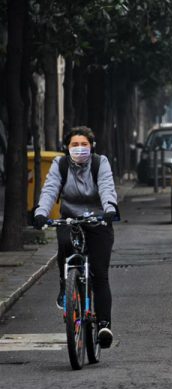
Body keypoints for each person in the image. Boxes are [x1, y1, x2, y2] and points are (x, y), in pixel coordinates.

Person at [33, 126, 118, 349]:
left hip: (99, 220)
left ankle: (103, 325)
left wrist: (110, 208)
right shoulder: (60, 165)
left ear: (92, 147)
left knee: (100, 274)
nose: (79, 149)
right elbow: (50, 189)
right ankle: (66, 285)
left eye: (84, 145)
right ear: (67, 148)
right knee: (64, 245)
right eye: (74, 145)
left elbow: (107, 187)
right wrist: (41, 213)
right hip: (70, 219)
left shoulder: (101, 163)